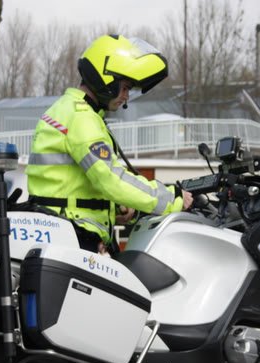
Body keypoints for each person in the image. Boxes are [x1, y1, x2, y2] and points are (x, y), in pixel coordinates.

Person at [25, 34, 192, 255]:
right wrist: (172, 198)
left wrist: (111, 208)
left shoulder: (65, 109)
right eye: (124, 87)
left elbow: (68, 184)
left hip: (58, 230)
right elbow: (111, 179)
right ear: (106, 79)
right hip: (73, 236)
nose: (126, 96)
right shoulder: (81, 117)